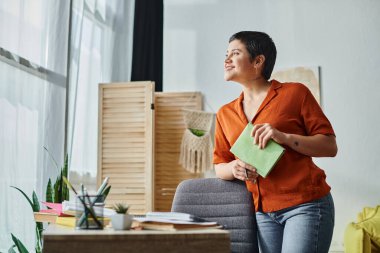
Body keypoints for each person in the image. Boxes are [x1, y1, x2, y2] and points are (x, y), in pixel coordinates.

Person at [213, 31, 337, 253]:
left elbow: (329, 146)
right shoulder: (224, 114)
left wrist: (285, 137)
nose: (227, 59)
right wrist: (234, 168)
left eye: (235, 53)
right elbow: (219, 166)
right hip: (262, 213)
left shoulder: (295, 93)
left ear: (258, 61)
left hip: (305, 205)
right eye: (226, 54)